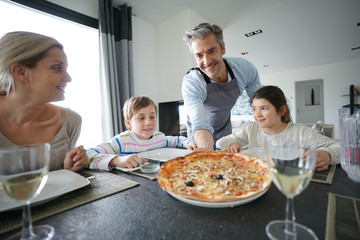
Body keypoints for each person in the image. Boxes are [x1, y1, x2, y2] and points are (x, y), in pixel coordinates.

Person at [0, 31, 89, 171]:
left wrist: (68, 168)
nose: (68, 78)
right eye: (57, 68)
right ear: (20, 71)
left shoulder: (71, 121)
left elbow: (60, 178)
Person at [216, 85, 340, 171]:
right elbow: (221, 142)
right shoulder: (251, 129)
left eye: (264, 108)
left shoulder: (300, 132)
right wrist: (231, 144)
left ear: (282, 110)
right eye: (254, 109)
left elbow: (341, 147)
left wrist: (327, 154)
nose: (257, 114)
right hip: (256, 180)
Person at [182, 22, 262, 151]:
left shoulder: (245, 69)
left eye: (211, 51)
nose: (207, 61)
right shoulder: (192, 82)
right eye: (199, 55)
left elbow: (261, 104)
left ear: (223, 48)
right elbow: (200, 123)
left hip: (224, 127)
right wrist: (205, 149)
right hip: (200, 134)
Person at [87, 96, 196, 170]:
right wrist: (116, 160)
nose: (148, 122)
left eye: (152, 117)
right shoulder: (121, 141)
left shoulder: (160, 138)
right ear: (129, 123)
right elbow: (89, 154)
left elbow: (178, 139)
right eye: (141, 118)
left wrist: (188, 143)